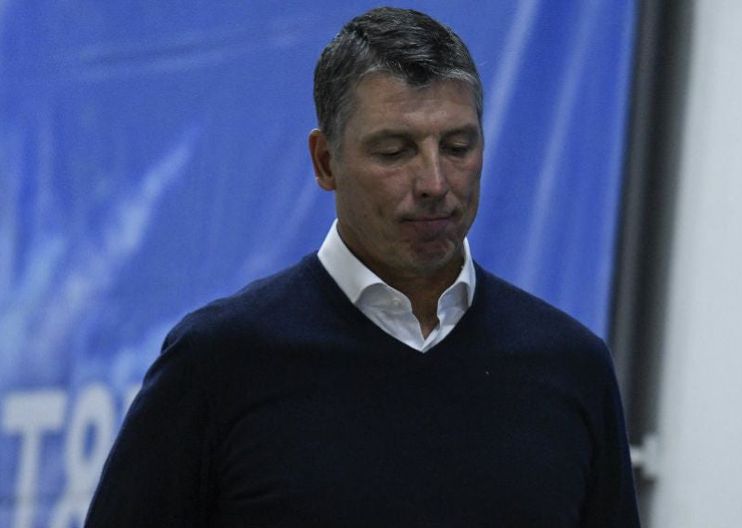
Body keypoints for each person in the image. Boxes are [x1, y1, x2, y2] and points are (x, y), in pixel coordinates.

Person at [84, 7, 640, 527]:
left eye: (457, 146)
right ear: (325, 161)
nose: (435, 183)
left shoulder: (570, 367)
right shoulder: (219, 362)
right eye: (395, 151)